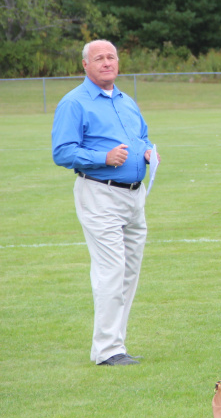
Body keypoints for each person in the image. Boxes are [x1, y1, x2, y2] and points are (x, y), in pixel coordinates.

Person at [51, 40, 159, 366]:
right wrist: (104, 157)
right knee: (111, 270)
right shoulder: (74, 103)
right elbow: (62, 152)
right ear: (85, 65)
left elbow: (142, 135)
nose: (106, 62)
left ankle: (116, 344)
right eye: (98, 58)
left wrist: (147, 151)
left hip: (133, 196)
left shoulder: (126, 101)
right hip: (100, 193)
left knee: (128, 272)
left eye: (111, 57)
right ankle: (107, 351)